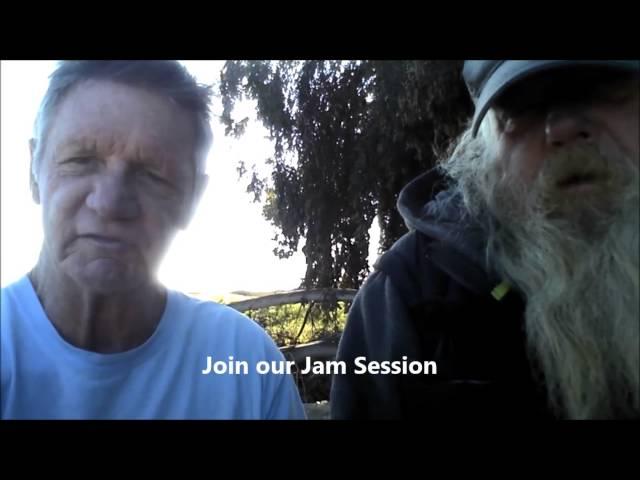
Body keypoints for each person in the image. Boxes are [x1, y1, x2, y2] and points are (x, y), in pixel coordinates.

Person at [331, 60, 639, 420]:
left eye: (601, 84)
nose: (563, 127)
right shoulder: (407, 297)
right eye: (523, 102)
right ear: (483, 143)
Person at [1, 60, 306, 420]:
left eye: (152, 175)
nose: (110, 203)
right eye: (81, 160)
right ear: (33, 172)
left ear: (191, 200)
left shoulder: (243, 361)